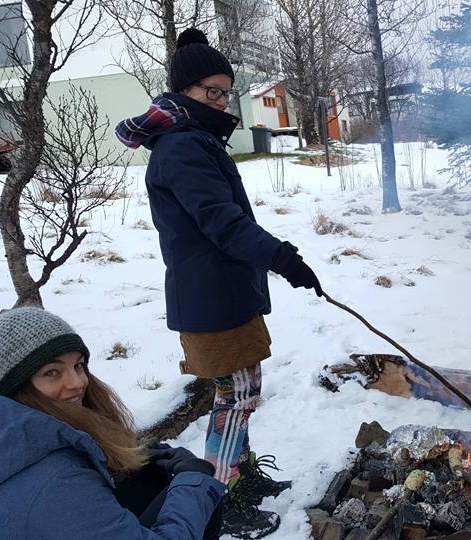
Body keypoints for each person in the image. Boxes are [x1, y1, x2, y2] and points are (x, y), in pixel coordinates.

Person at [116, 28, 323, 537]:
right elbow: (221, 221)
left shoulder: (194, 139)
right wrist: (282, 257)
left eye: (225, 91)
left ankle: (241, 476)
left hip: (222, 291)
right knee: (236, 397)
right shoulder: (184, 146)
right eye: (210, 91)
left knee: (241, 392)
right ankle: (219, 496)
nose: (221, 100)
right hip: (212, 297)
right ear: (183, 92)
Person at [0, 307, 224, 539]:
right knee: (197, 500)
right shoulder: (56, 481)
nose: (77, 383)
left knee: (142, 478)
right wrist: (195, 482)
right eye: (51, 372)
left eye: (78, 365)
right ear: (12, 387)